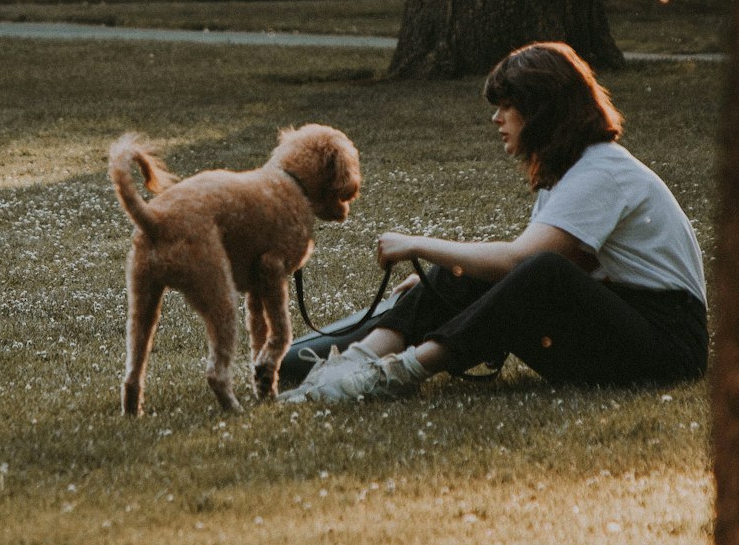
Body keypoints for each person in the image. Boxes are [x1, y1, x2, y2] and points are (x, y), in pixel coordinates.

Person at [279, 41, 708, 405]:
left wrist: (417, 245)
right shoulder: (566, 172)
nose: (496, 119)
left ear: (542, 112)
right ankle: (355, 364)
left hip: (665, 345)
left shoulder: (601, 172)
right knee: (483, 267)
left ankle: (398, 374)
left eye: (508, 106)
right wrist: (453, 276)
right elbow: (556, 264)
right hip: (617, 322)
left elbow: (526, 263)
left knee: (532, 268)